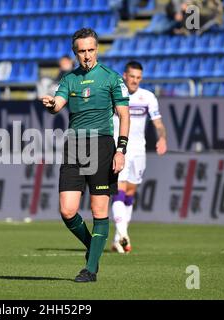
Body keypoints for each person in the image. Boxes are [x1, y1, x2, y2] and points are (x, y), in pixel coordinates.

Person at [41, 28, 130, 282]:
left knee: (98, 209)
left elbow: (124, 116)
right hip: (75, 145)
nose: (87, 56)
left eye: (91, 50)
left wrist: (121, 150)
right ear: (75, 53)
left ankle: (90, 269)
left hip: (102, 146)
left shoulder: (112, 78)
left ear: (97, 50)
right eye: (82, 51)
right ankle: (93, 248)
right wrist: (51, 106)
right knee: (67, 210)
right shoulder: (69, 80)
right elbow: (58, 103)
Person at [111, 61, 167, 254]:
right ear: (124, 76)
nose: (134, 81)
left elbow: (158, 123)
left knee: (130, 193)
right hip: (118, 149)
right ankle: (124, 233)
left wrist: (162, 138)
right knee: (118, 190)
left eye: (138, 78)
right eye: (131, 76)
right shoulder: (114, 94)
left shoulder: (147, 97)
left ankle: (119, 238)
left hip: (138, 151)